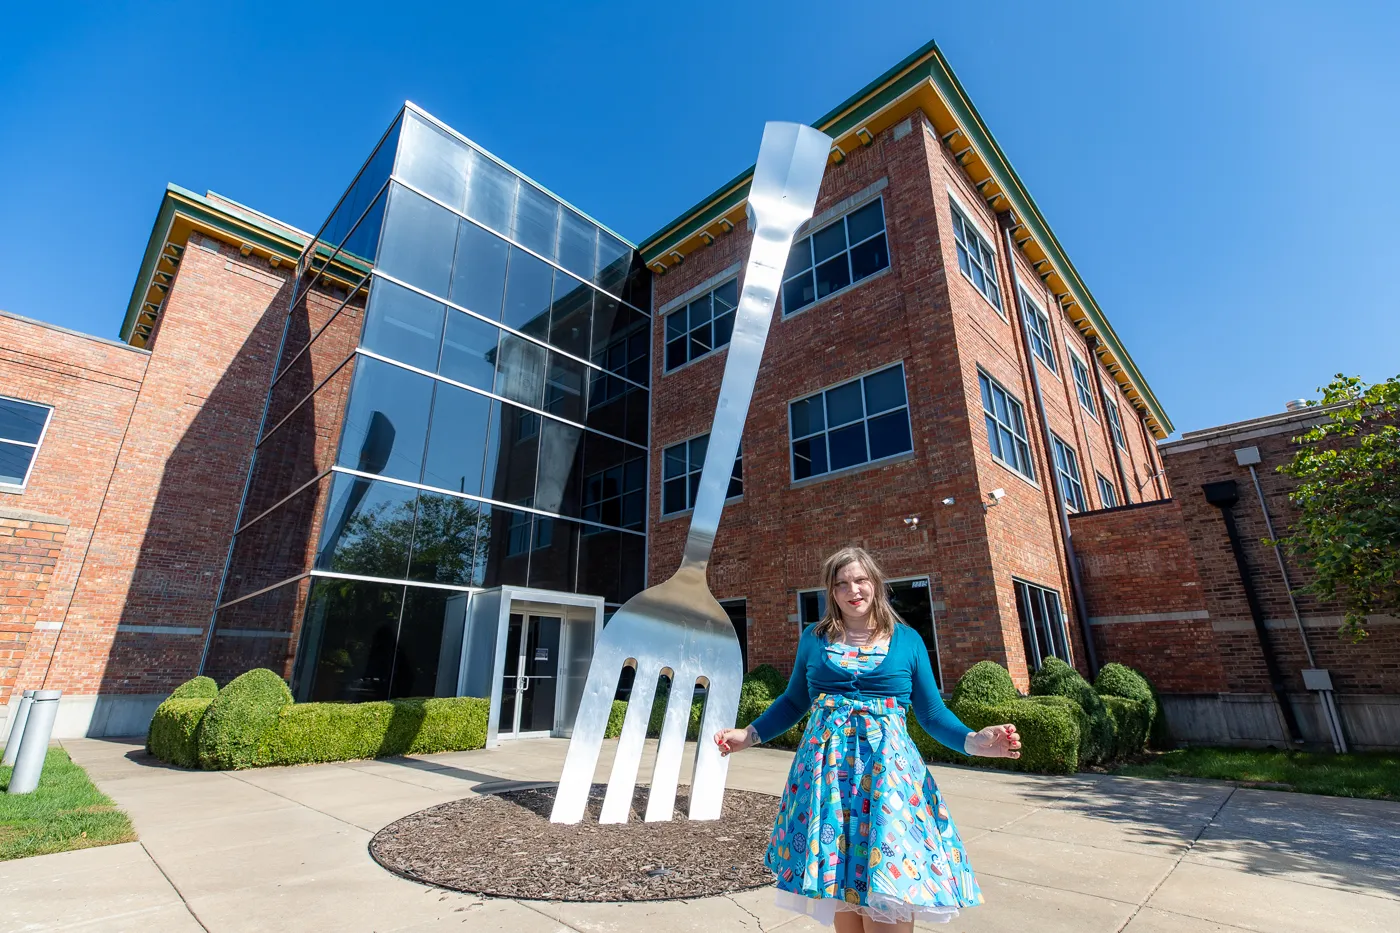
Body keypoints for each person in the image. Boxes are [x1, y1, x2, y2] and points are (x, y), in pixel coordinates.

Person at [715, 546, 1020, 931]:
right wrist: (750, 734)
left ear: (875, 584)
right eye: (841, 583)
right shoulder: (815, 637)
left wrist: (974, 741)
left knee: (891, 887)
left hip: (888, 780)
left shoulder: (906, 640)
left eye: (860, 580)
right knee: (841, 884)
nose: (852, 590)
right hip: (827, 781)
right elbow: (794, 700)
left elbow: (931, 713)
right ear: (831, 591)